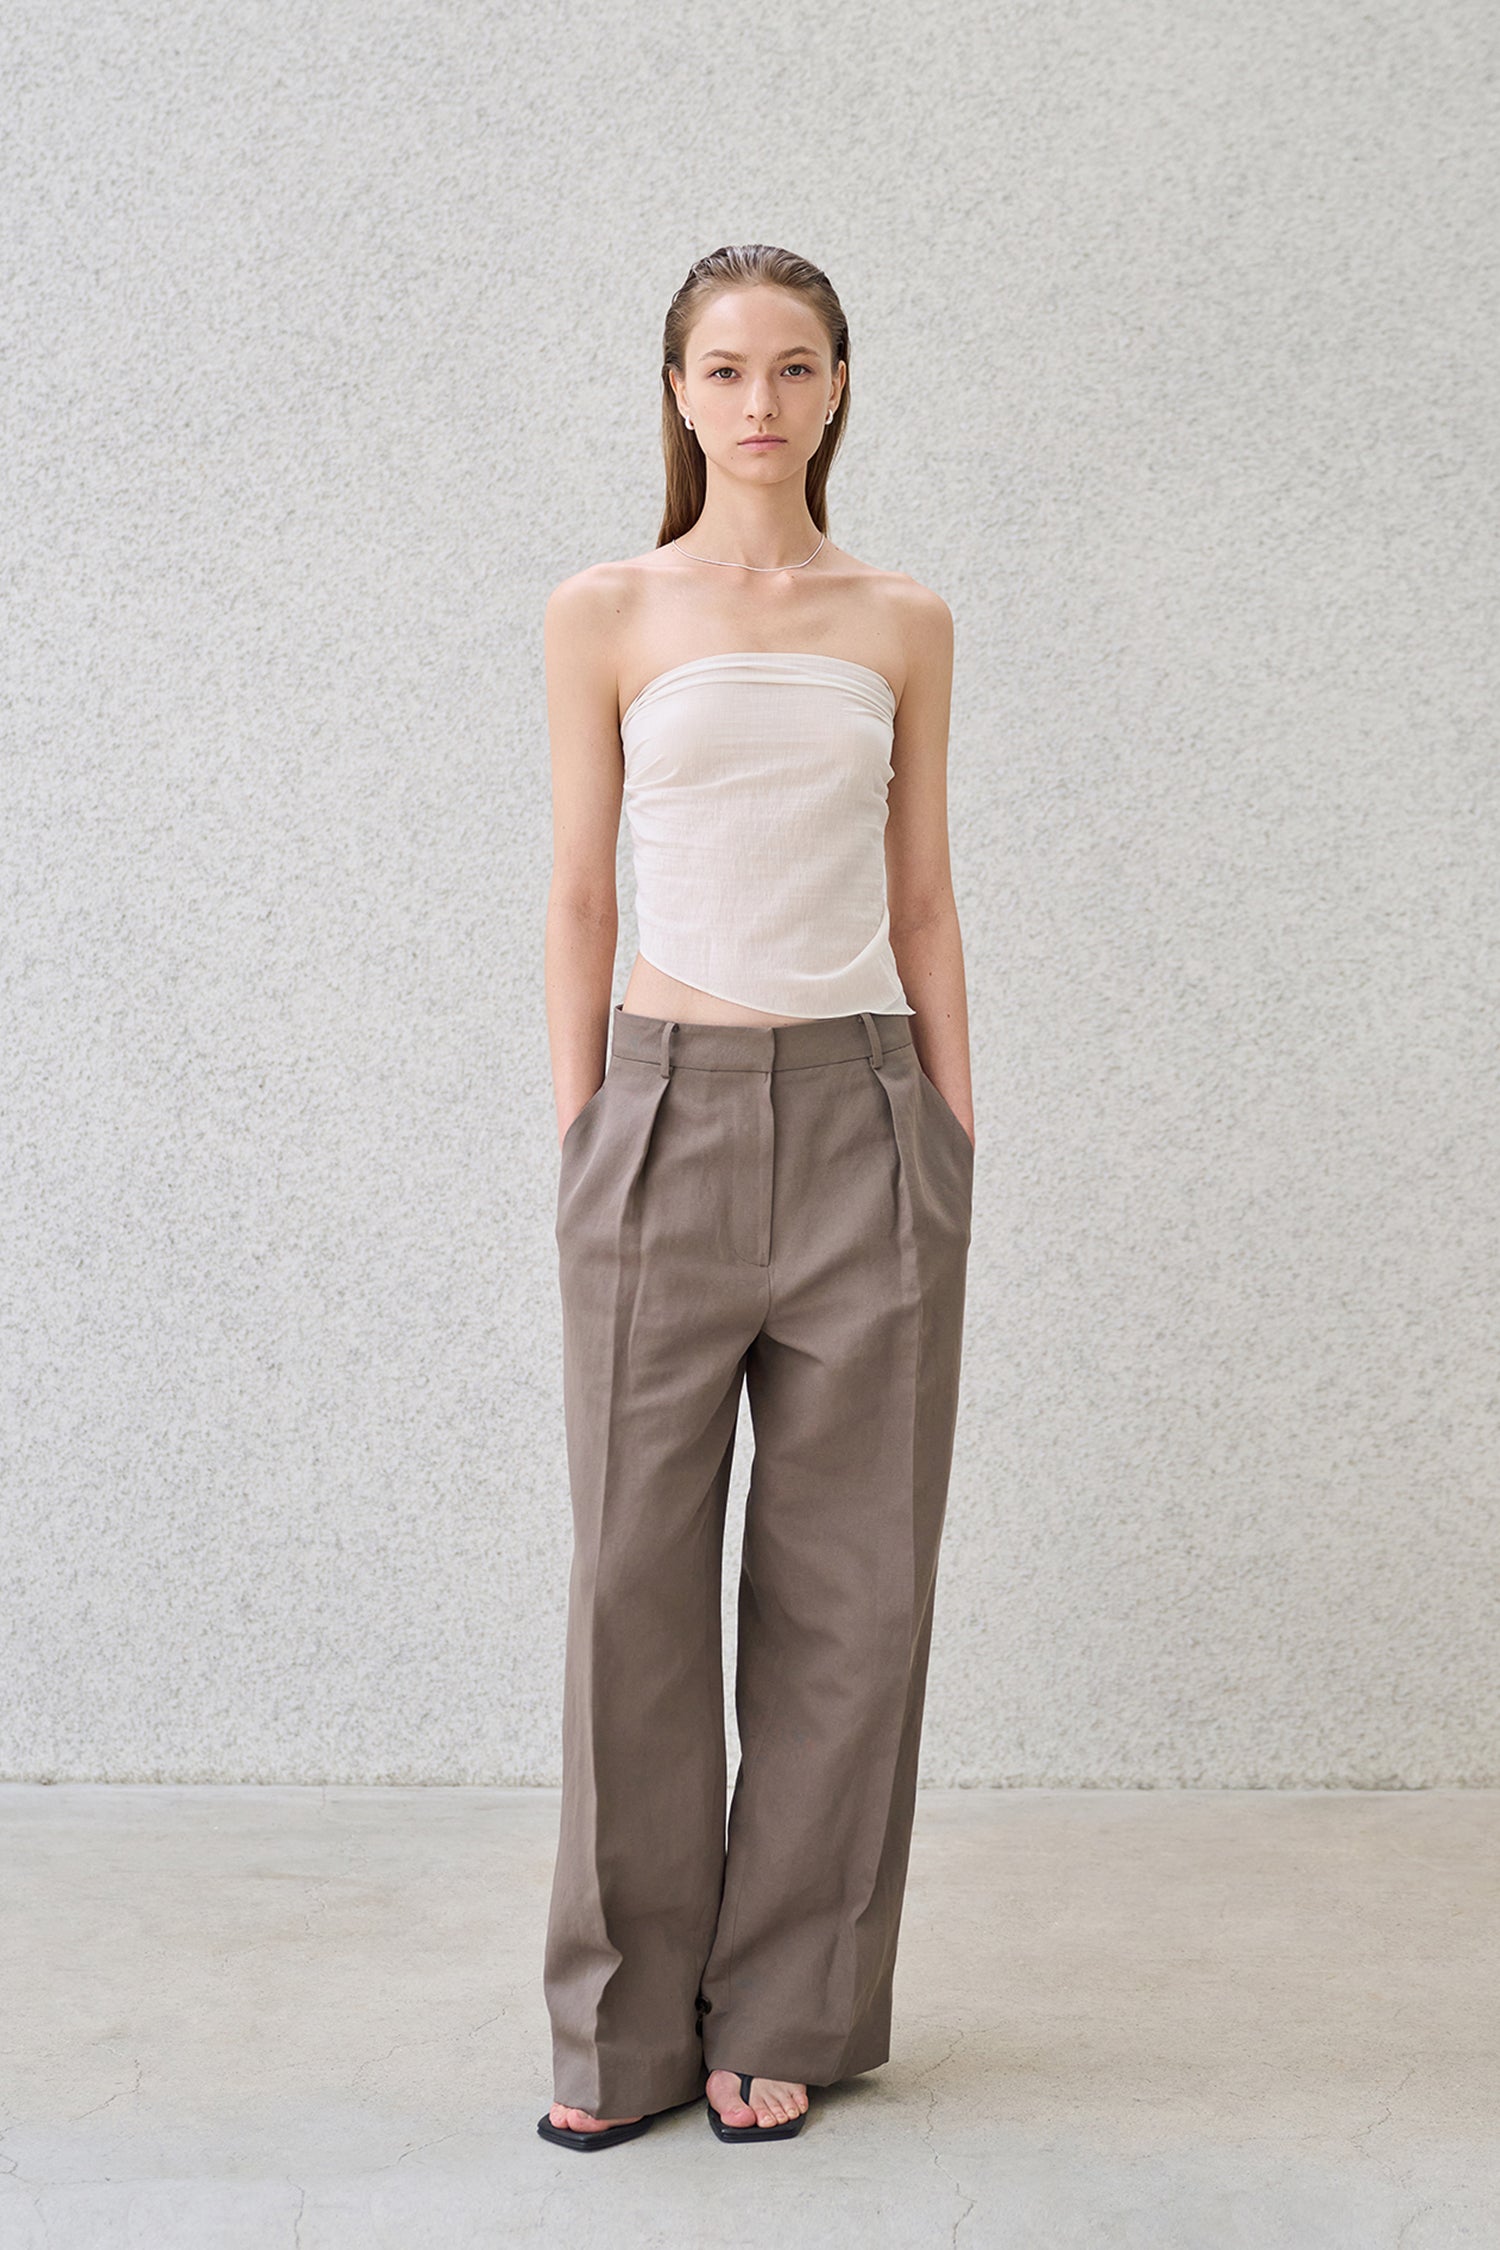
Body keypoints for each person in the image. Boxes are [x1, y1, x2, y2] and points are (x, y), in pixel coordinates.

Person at [537, 243, 973, 2152]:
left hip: (868, 1115)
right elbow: (580, 894)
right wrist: (589, 1135)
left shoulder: (903, 619)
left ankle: (787, 2002)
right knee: (631, 1584)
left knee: (850, 1594)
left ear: (840, 385)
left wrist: (949, 1141)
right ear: (678, 391)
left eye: (795, 367)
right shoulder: (605, 610)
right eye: (724, 369)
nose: (760, 403)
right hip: (666, 1116)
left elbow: (923, 892)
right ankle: (622, 2027)